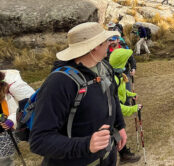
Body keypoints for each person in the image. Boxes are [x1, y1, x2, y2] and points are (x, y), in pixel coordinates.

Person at [29, 22, 127, 166]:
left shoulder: (104, 66)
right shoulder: (59, 83)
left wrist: (120, 126)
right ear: (95, 47)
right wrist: (87, 145)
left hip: (107, 159)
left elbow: (113, 97)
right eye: (106, 40)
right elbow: (39, 140)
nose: (110, 44)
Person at [109, 49, 142, 164]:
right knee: (115, 132)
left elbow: (122, 92)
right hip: (114, 110)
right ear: (120, 63)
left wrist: (131, 95)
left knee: (117, 130)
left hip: (118, 108)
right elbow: (115, 104)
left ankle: (123, 154)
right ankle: (123, 155)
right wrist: (133, 108)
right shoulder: (113, 80)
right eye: (124, 61)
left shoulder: (119, 74)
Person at [0, 70, 34, 166]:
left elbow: (31, 106)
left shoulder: (15, 87)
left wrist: (11, 120)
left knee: (3, 161)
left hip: (7, 131)